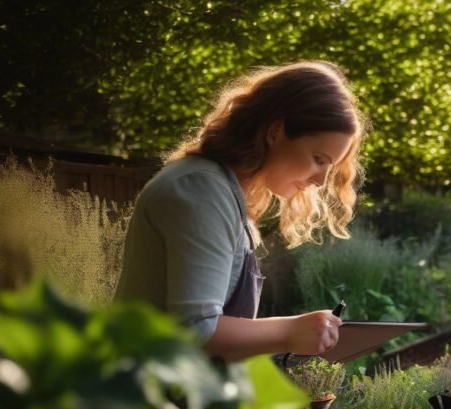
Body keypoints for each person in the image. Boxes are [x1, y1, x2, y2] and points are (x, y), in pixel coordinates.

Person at [115, 62, 366, 362]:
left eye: (329, 166)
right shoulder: (200, 190)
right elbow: (197, 329)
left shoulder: (226, 193)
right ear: (276, 132)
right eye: (318, 159)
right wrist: (290, 331)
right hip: (135, 395)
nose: (320, 180)